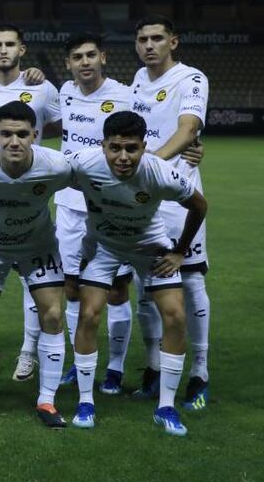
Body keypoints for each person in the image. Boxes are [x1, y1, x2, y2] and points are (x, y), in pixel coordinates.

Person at [67, 110, 207, 436]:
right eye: (115, 148)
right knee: (88, 314)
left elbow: (199, 205)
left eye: (132, 148)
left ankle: (166, 407)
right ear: (103, 145)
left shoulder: (159, 171)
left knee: (174, 316)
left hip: (149, 246)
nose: (123, 157)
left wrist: (179, 251)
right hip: (104, 246)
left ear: (144, 146)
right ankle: (86, 401)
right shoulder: (84, 163)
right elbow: (47, 173)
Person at [0, 101, 70, 429]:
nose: (14, 141)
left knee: (52, 314)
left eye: (22, 134)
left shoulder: (56, 166)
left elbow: (95, 178)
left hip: (36, 246)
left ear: (35, 135)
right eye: (6, 133)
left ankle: (47, 400)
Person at [0, 23, 61, 384]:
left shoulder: (42, 87)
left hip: (27, 186)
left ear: (22, 49)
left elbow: (62, 126)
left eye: (10, 44)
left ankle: (28, 351)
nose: (4, 50)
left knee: (34, 284)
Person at [129, 15, 211, 410]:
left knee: (191, 281)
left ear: (173, 42)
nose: (149, 45)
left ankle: (200, 372)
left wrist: (150, 166)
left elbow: (188, 129)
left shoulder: (191, 79)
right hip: (142, 199)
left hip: (177, 196)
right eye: (142, 39)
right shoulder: (137, 80)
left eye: (157, 38)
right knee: (145, 289)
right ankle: (154, 367)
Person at [53, 33, 135, 394]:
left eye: (90, 55)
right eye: (77, 57)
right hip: (71, 206)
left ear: (103, 57)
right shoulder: (64, 93)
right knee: (71, 287)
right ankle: (77, 360)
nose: (84, 62)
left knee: (117, 290)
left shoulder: (125, 95)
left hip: (113, 206)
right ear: (69, 64)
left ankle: (115, 367)